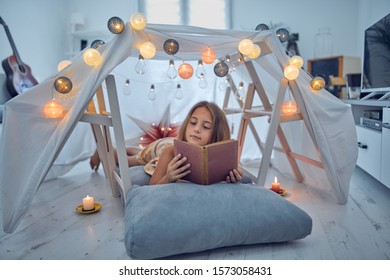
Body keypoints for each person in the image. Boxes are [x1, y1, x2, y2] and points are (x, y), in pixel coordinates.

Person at [90, 101, 243, 185]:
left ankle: (128, 149)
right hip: (160, 147)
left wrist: (235, 176)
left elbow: (237, 171)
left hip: (167, 143)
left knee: (137, 151)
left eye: (206, 127)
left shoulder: (223, 156)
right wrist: (168, 177)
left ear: (217, 133)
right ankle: (104, 148)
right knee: (133, 160)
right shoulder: (170, 151)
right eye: (193, 123)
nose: (196, 129)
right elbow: (153, 186)